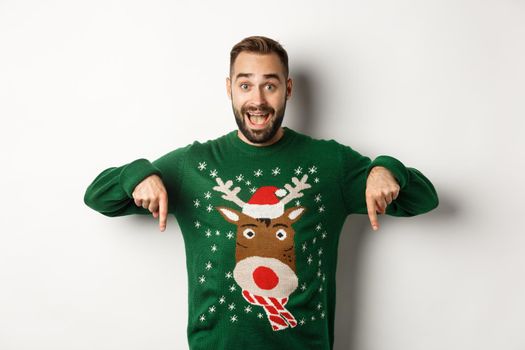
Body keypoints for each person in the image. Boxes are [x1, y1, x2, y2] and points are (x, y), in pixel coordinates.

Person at [84, 35, 438, 350]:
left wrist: (386, 168)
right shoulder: (193, 165)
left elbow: (424, 199)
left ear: (288, 88)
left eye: (269, 86)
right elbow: (99, 197)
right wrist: (138, 174)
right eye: (245, 85)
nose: (257, 100)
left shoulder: (330, 163)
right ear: (229, 89)